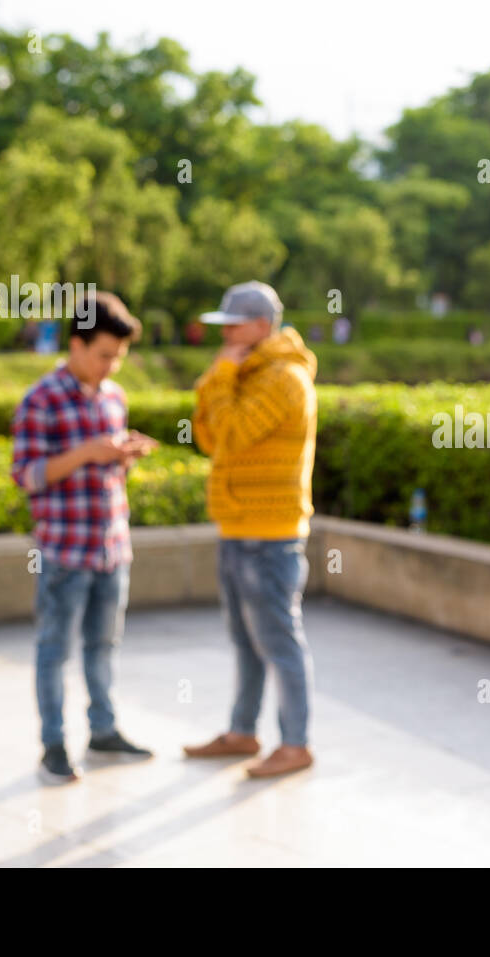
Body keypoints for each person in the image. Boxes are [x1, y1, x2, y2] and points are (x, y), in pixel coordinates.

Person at [11, 290, 160, 785]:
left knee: (104, 645)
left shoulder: (114, 396)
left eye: (118, 357)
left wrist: (122, 454)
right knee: (54, 649)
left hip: (112, 546)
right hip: (65, 550)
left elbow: (106, 466)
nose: (111, 366)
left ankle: (103, 730)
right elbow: (26, 475)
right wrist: (87, 452)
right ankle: (53, 743)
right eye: (103, 355)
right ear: (76, 344)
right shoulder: (41, 398)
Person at [183, 281, 319, 779]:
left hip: (271, 534)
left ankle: (296, 743)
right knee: (245, 641)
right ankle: (243, 731)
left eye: (232, 325)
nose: (225, 336)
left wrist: (221, 373)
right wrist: (224, 376)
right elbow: (207, 433)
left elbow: (233, 434)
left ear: (262, 326)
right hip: (237, 526)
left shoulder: (284, 378)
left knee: (280, 641)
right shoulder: (246, 373)